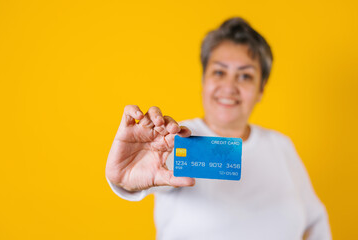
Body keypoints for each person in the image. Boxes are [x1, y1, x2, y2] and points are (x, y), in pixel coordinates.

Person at [105, 17, 332, 240]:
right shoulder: (170, 140)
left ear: (261, 89)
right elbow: (145, 179)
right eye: (219, 72)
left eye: (245, 75)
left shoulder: (281, 146)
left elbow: (315, 221)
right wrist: (126, 182)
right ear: (204, 80)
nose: (229, 86)